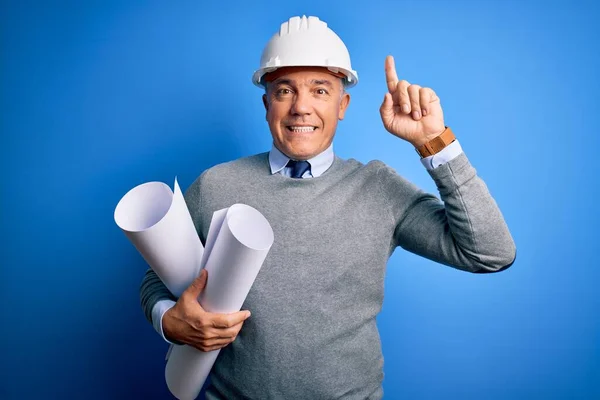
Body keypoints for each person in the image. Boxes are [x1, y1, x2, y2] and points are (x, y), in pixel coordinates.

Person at [139, 15, 516, 399]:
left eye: (320, 90)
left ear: (343, 105)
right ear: (267, 103)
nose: (301, 107)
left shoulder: (378, 188)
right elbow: (158, 279)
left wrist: (435, 142)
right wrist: (168, 320)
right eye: (285, 90)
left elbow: (489, 253)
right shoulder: (215, 185)